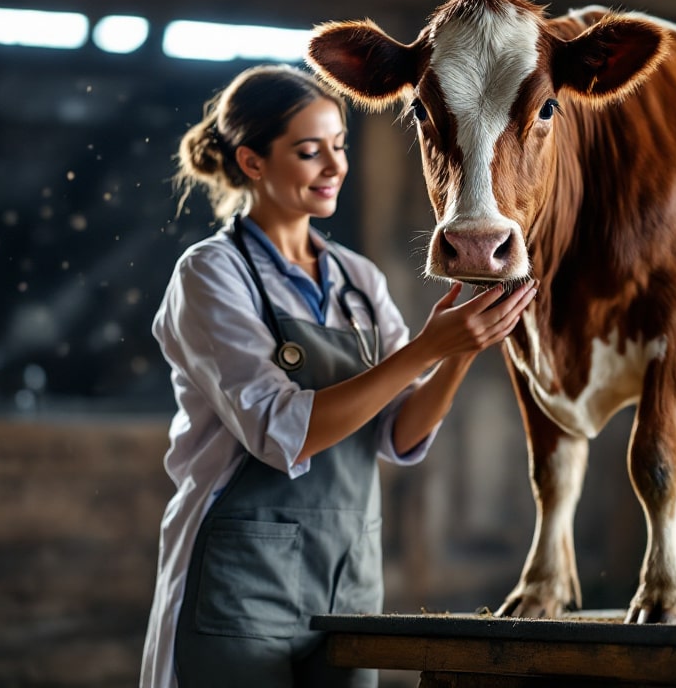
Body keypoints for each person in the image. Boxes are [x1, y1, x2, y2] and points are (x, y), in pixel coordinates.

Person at [139, 63, 536, 688]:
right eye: (308, 151)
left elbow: (399, 435)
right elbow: (280, 433)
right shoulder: (211, 275)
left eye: (339, 146)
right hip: (242, 585)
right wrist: (423, 349)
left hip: (349, 580)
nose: (333, 167)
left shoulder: (358, 278)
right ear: (252, 163)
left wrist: (462, 347)